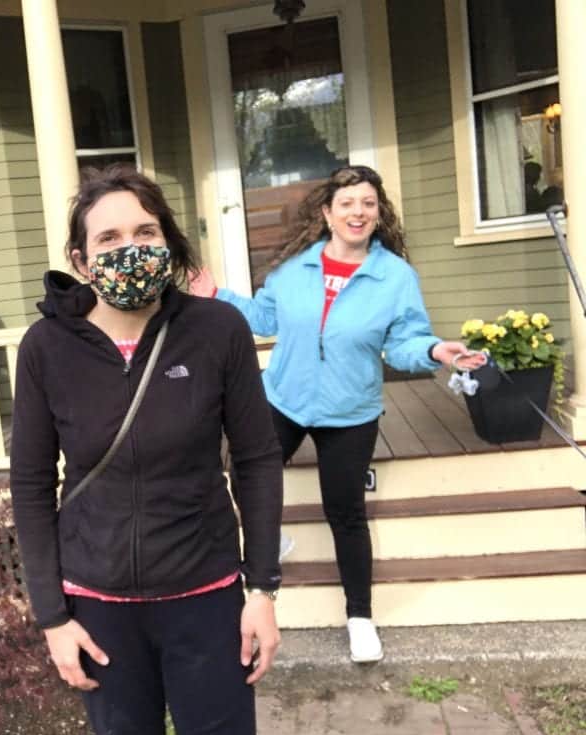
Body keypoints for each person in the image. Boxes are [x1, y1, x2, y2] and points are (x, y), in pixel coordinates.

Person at [10, 165, 283, 735]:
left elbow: (258, 459)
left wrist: (261, 589)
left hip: (206, 598)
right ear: (82, 260)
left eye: (145, 232)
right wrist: (53, 618)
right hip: (98, 607)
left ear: (168, 242)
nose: (129, 248)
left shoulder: (217, 330)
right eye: (108, 239)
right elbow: (30, 485)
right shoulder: (46, 348)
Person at [189, 165, 485, 663]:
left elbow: (404, 343)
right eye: (347, 203)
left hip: (350, 410)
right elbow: (263, 318)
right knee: (243, 473)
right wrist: (217, 296)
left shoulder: (394, 277)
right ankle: (269, 541)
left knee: (345, 513)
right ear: (327, 213)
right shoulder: (293, 269)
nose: (358, 212)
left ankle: (360, 618)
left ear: (378, 213)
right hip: (285, 397)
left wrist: (436, 352)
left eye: (368, 204)